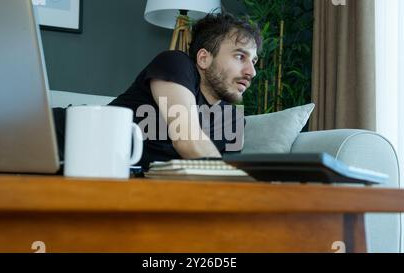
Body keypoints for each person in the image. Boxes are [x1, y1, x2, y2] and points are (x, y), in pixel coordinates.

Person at [54, 12, 262, 170]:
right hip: (59, 140)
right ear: (203, 58)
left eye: (253, 62)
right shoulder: (176, 64)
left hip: (113, 179)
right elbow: (188, 139)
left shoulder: (232, 120)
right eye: (239, 57)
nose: (251, 71)